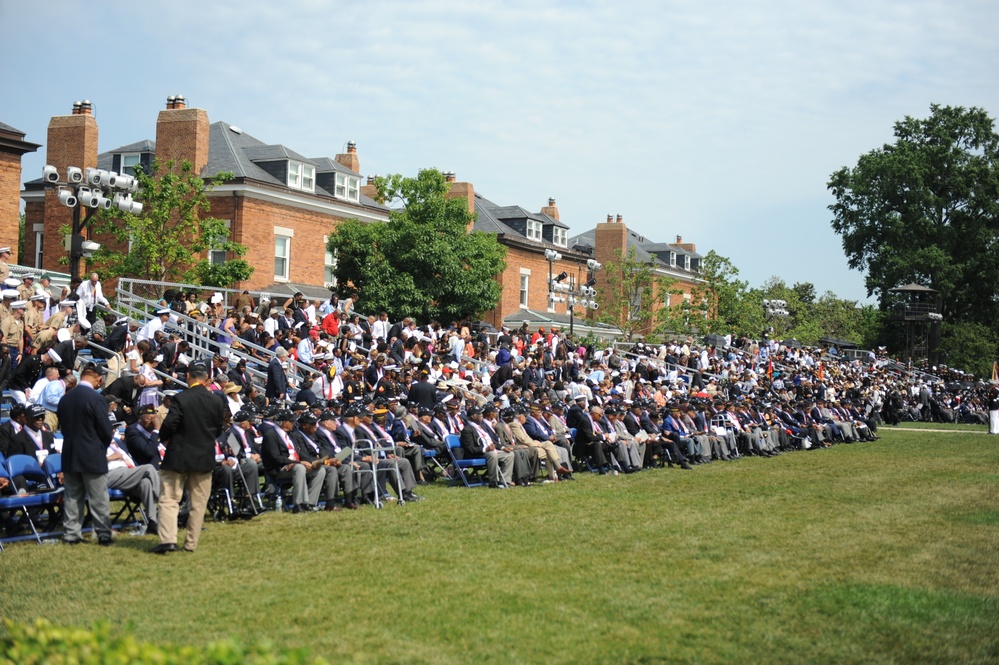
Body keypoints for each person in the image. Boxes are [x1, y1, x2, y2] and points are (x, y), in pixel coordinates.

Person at [153, 362, 228, 554]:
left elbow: (170, 424)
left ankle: (168, 540)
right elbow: (219, 428)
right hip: (204, 456)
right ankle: (191, 544)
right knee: (198, 503)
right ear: (206, 378)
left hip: (179, 454)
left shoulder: (181, 398)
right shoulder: (217, 401)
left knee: (169, 499)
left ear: (188, 376)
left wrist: (165, 438)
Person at [57, 365, 115, 545]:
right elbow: (106, 430)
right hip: (92, 454)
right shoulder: (96, 399)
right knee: (98, 497)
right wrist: (101, 447)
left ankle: (71, 534)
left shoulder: (65, 398)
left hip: (70, 452)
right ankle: (103, 533)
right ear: (97, 379)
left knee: (73, 496)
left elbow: (64, 427)